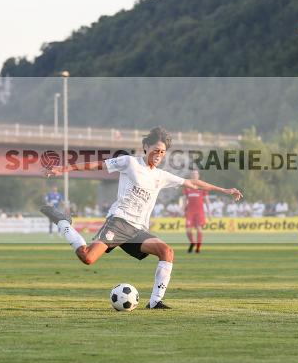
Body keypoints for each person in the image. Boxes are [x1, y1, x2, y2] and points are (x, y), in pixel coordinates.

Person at [40, 126, 243, 309]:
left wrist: (225, 190)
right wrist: (64, 168)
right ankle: (63, 222)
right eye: (155, 150)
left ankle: (155, 302)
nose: (158, 155)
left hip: (136, 230)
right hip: (118, 222)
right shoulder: (129, 163)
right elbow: (97, 165)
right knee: (87, 258)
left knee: (167, 251)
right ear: (146, 147)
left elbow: (193, 184)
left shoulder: (161, 176)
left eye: (162, 152)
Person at [182, 169, 210, 253]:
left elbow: (207, 200)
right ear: (191, 176)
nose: (194, 175)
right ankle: (193, 243)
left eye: (196, 174)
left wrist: (209, 211)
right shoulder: (188, 186)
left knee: (199, 229)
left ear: (198, 176)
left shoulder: (202, 187)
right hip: (190, 211)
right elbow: (184, 199)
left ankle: (198, 247)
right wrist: (183, 210)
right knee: (188, 230)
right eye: (193, 174)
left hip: (199, 212)